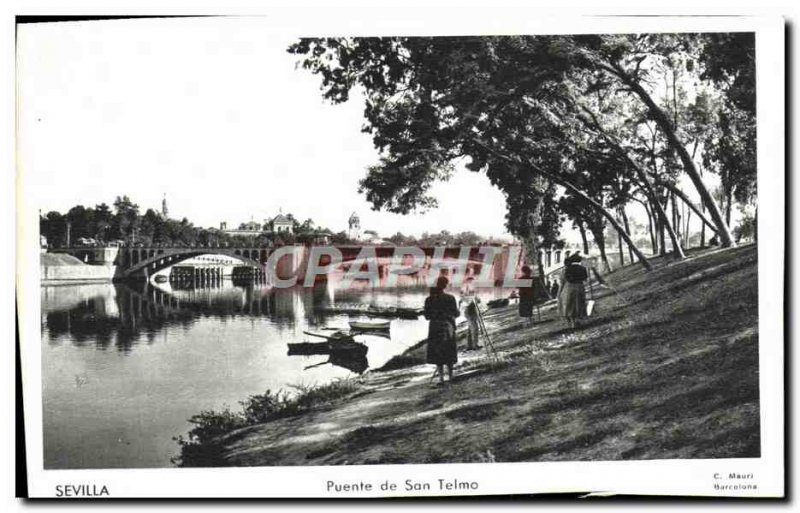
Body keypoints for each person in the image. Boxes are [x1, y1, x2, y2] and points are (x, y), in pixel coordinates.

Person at [424, 276, 460, 385]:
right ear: (444, 286)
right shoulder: (450, 298)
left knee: (437, 352)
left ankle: (441, 379)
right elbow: (456, 314)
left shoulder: (429, 299)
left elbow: (427, 317)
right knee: (449, 350)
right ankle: (451, 377)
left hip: (435, 327)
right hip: (447, 325)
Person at [558, 253, 589, 329]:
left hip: (570, 287)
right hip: (580, 286)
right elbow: (585, 278)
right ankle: (578, 320)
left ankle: (573, 322)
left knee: (570, 304)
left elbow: (566, 279)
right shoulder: (583, 268)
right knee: (579, 303)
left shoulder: (567, 269)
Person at [459, 276, 481, 351]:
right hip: (468, 310)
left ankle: (469, 345)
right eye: (471, 282)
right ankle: (475, 345)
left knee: (470, 328)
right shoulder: (465, 289)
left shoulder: (472, 290)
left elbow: (477, 299)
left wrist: (477, 299)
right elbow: (463, 299)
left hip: (472, 309)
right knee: (475, 328)